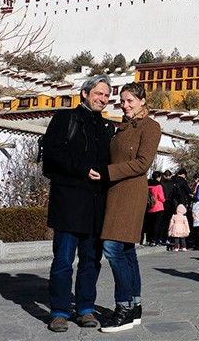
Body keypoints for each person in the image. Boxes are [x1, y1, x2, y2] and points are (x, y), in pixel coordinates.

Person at [43, 75, 113, 332]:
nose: (102, 99)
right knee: (63, 261)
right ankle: (59, 311)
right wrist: (83, 170)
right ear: (84, 93)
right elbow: (52, 153)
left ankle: (85, 308)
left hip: (97, 204)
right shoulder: (65, 119)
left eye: (106, 95)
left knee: (91, 260)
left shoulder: (107, 128)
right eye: (98, 93)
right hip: (69, 202)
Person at [98, 82, 161, 333]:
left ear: (143, 101)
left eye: (130, 101)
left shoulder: (151, 127)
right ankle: (134, 306)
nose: (124, 105)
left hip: (131, 193)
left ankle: (122, 308)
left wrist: (108, 172)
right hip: (114, 192)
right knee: (126, 250)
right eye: (122, 101)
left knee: (112, 247)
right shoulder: (121, 128)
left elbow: (143, 163)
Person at [143, 171, 165, 246]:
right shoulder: (159, 185)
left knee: (149, 224)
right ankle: (154, 240)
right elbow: (161, 197)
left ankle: (148, 240)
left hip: (149, 207)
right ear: (158, 177)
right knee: (156, 224)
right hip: (158, 207)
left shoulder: (147, 184)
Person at [158, 170, 176, 246]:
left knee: (162, 221)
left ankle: (160, 238)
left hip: (164, 203)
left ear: (164, 176)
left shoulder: (161, 184)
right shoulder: (174, 184)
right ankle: (168, 238)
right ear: (171, 175)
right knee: (170, 222)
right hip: (171, 203)